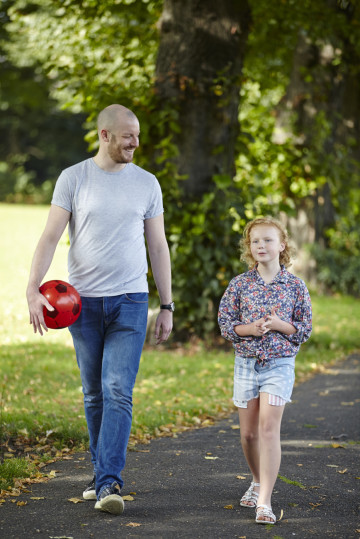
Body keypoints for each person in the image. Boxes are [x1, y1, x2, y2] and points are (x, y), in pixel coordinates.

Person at [26, 104, 174, 516]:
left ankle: (109, 481)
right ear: (105, 135)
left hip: (130, 302)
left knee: (116, 391)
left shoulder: (146, 183)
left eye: (138, 135)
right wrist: (30, 289)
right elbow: (51, 236)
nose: (136, 143)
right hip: (82, 305)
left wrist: (167, 304)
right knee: (94, 394)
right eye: (128, 135)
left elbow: (158, 246)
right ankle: (99, 472)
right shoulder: (74, 178)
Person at [218, 216, 312, 525]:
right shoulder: (240, 284)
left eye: (268, 240)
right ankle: (257, 479)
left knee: (269, 429)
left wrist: (279, 325)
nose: (261, 245)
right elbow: (226, 323)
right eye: (255, 240)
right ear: (249, 247)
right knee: (248, 434)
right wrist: (251, 329)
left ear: (282, 245)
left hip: (280, 365)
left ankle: (265, 502)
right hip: (246, 364)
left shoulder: (295, 286)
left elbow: (304, 329)